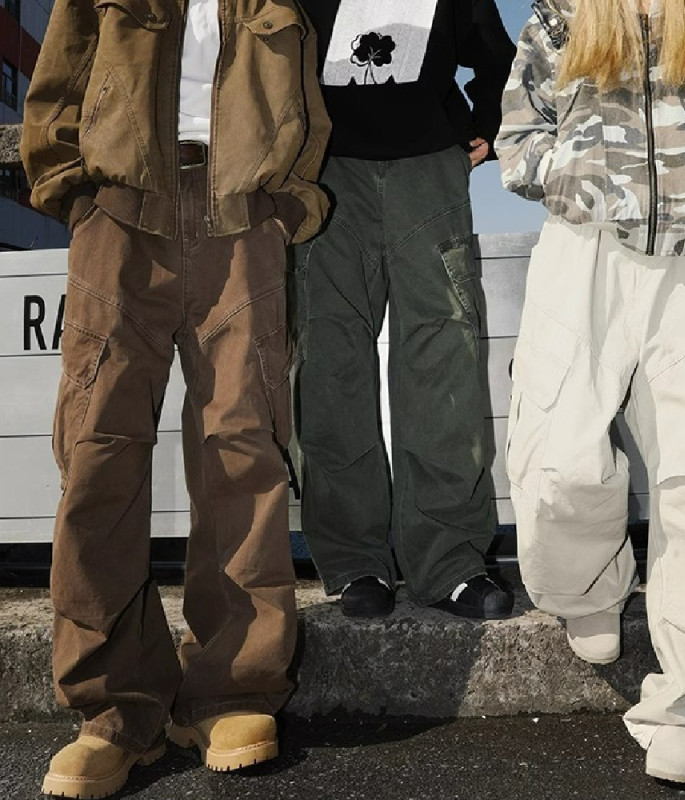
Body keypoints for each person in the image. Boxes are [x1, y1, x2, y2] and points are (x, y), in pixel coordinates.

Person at [21, 0, 330, 796]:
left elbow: (305, 93)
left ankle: (231, 689)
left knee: (243, 450)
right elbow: (58, 80)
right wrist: (74, 193)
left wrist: (285, 204)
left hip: (241, 222)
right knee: (97, 450)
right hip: (120, 216)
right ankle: (113, 711)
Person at [496, 0, 685, 785]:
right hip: (582, 247)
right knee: (559, 456)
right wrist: (574, 178)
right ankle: (588, 587)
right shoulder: (560, 16)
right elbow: (518, 138)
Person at [292, 0, 516, 619]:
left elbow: (495, 52)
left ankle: (450, 561)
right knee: (330, 363)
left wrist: (490, 122)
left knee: (443, 362)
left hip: (429, 167)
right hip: (325, 173)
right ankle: (354, 561)